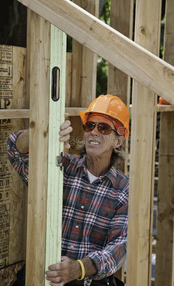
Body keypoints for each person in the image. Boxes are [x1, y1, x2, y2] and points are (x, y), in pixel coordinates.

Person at [7, 94, 129, 286]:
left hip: (88, 281)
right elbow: (14, 150)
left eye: (104, 128)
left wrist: (78, 268)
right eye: (90, 126)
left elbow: (119, 248)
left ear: (118, 141)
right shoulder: (62, 167)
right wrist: (42, 131)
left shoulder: (124, 189)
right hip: (43, 275)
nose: (94, 132)